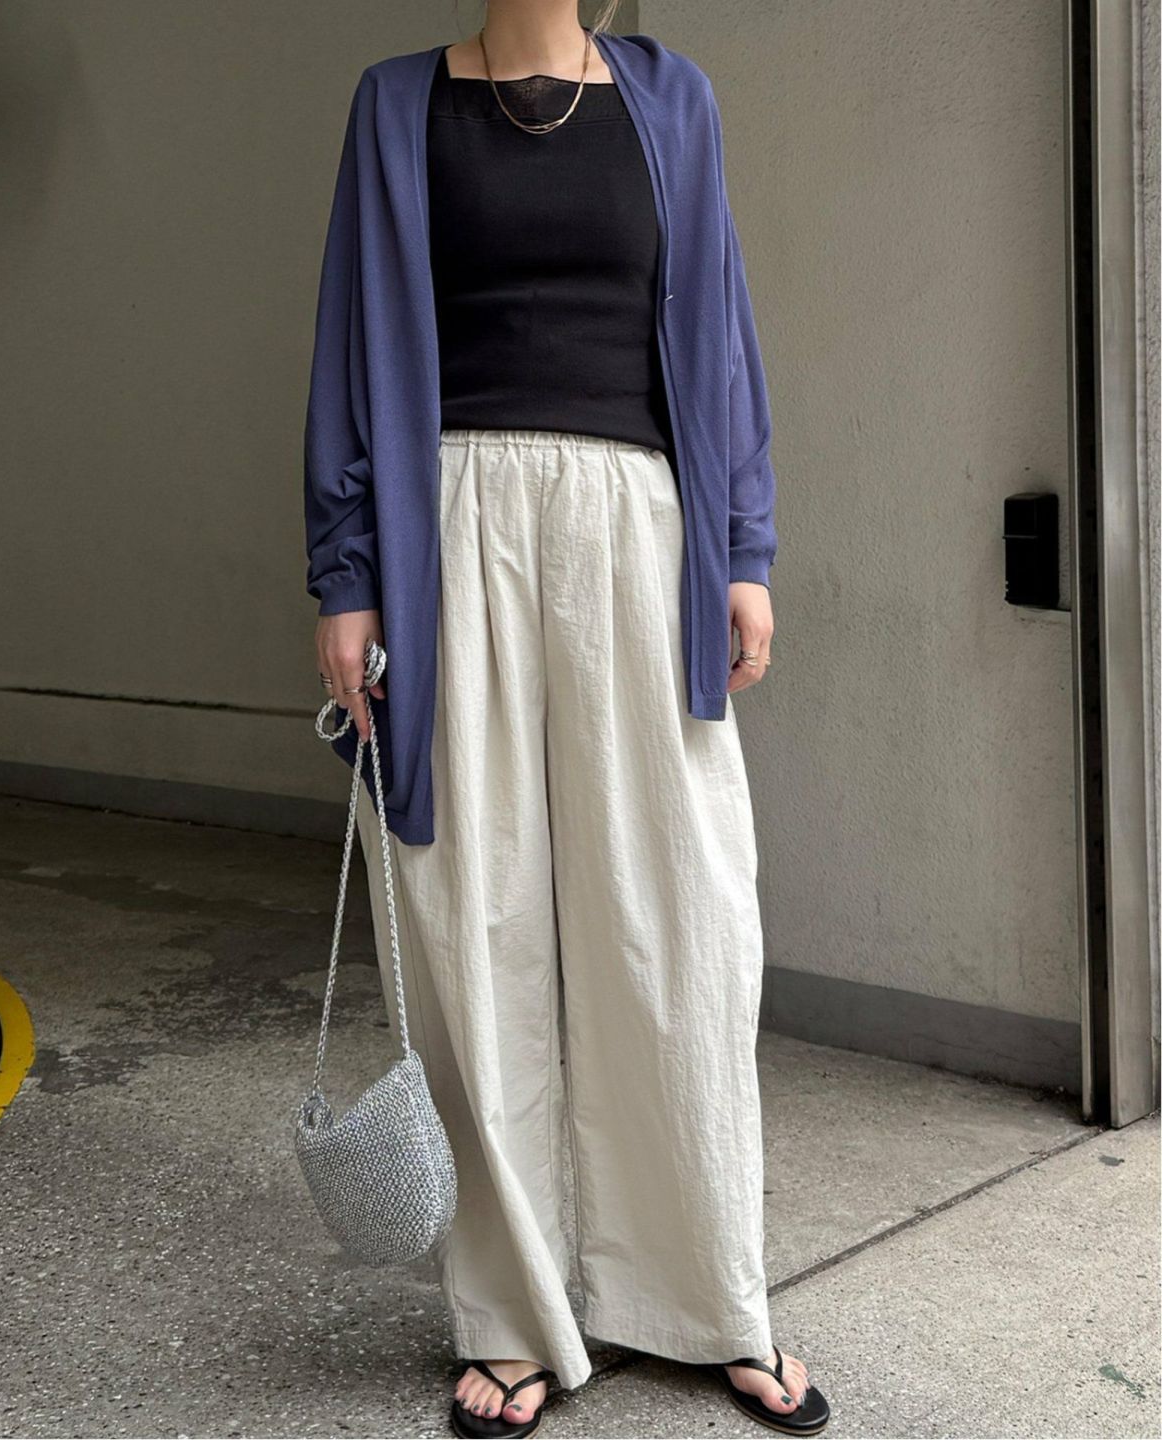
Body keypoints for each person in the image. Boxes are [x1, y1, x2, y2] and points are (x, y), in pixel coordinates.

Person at [304, 3, 831, 1436]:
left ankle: (709, 1296)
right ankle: (515, 1314)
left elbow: (720, 332)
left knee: (681, 919)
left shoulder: (673, 100)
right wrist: (349, 577)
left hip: (636, 535)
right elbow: (351, 344)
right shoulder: (395, 105)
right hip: (451, 534)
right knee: (474, 925)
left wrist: (743, 548)